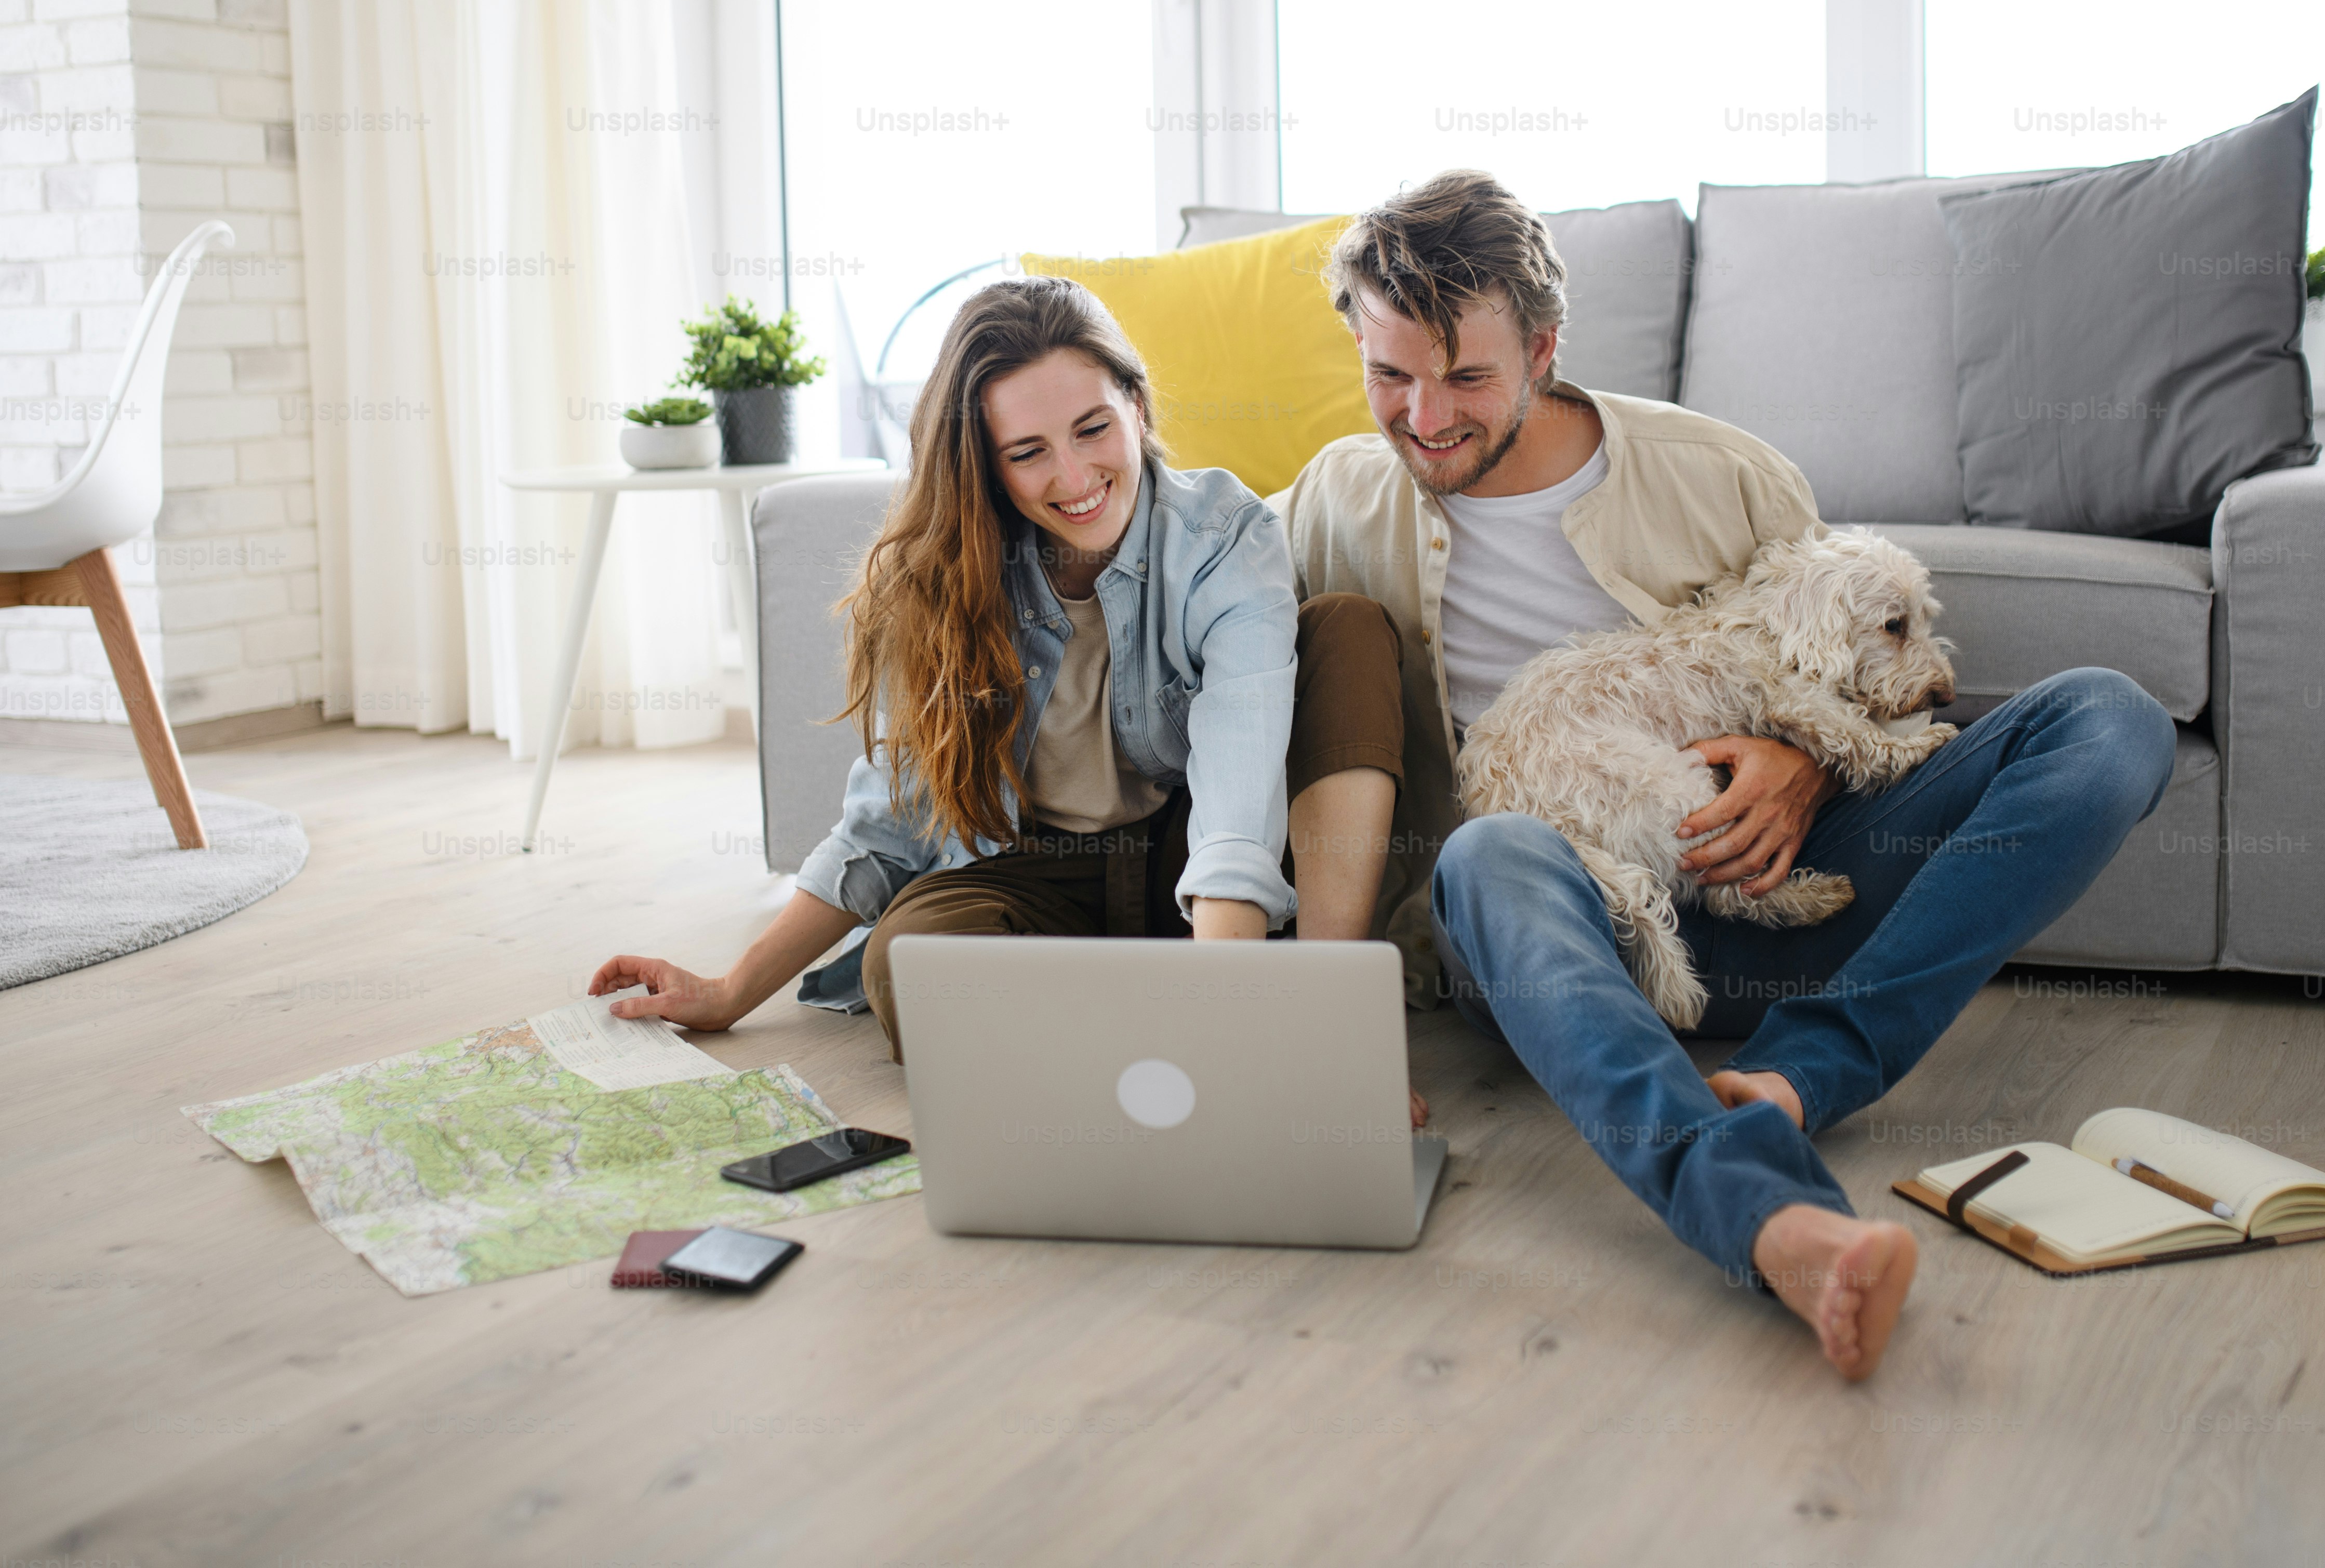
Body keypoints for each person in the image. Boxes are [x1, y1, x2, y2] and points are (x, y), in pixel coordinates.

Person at [1277, 171, 2176, 1379]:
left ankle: (1813, 1068)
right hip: (1561, 939)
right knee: (1491, 849)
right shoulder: (1332, 499)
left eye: (1468, 376)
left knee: (2109, 719)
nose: (1425, 414)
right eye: (1390, 373)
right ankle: (1769, 1218)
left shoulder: (1727, 473)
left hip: (1796, 896)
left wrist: (1802, 760)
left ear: (1543, 350)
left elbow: (1844, 658)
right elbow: (1180, 585)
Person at [589, 277, 1408, 1092]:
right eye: (1028, 453)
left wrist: (1271, 1017)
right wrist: (730, 991)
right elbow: (885, 833)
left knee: (1345, 630)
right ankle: (1160, 1042)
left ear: (1138, 407)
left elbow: (1236, 797)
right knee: (908, 962)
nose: (1074, 474)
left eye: (1094, 429)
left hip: (1185, 856)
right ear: (986, 464)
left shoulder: (1224, 537)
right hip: (1040, 872)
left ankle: (1306, 1016)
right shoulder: (942, 581)